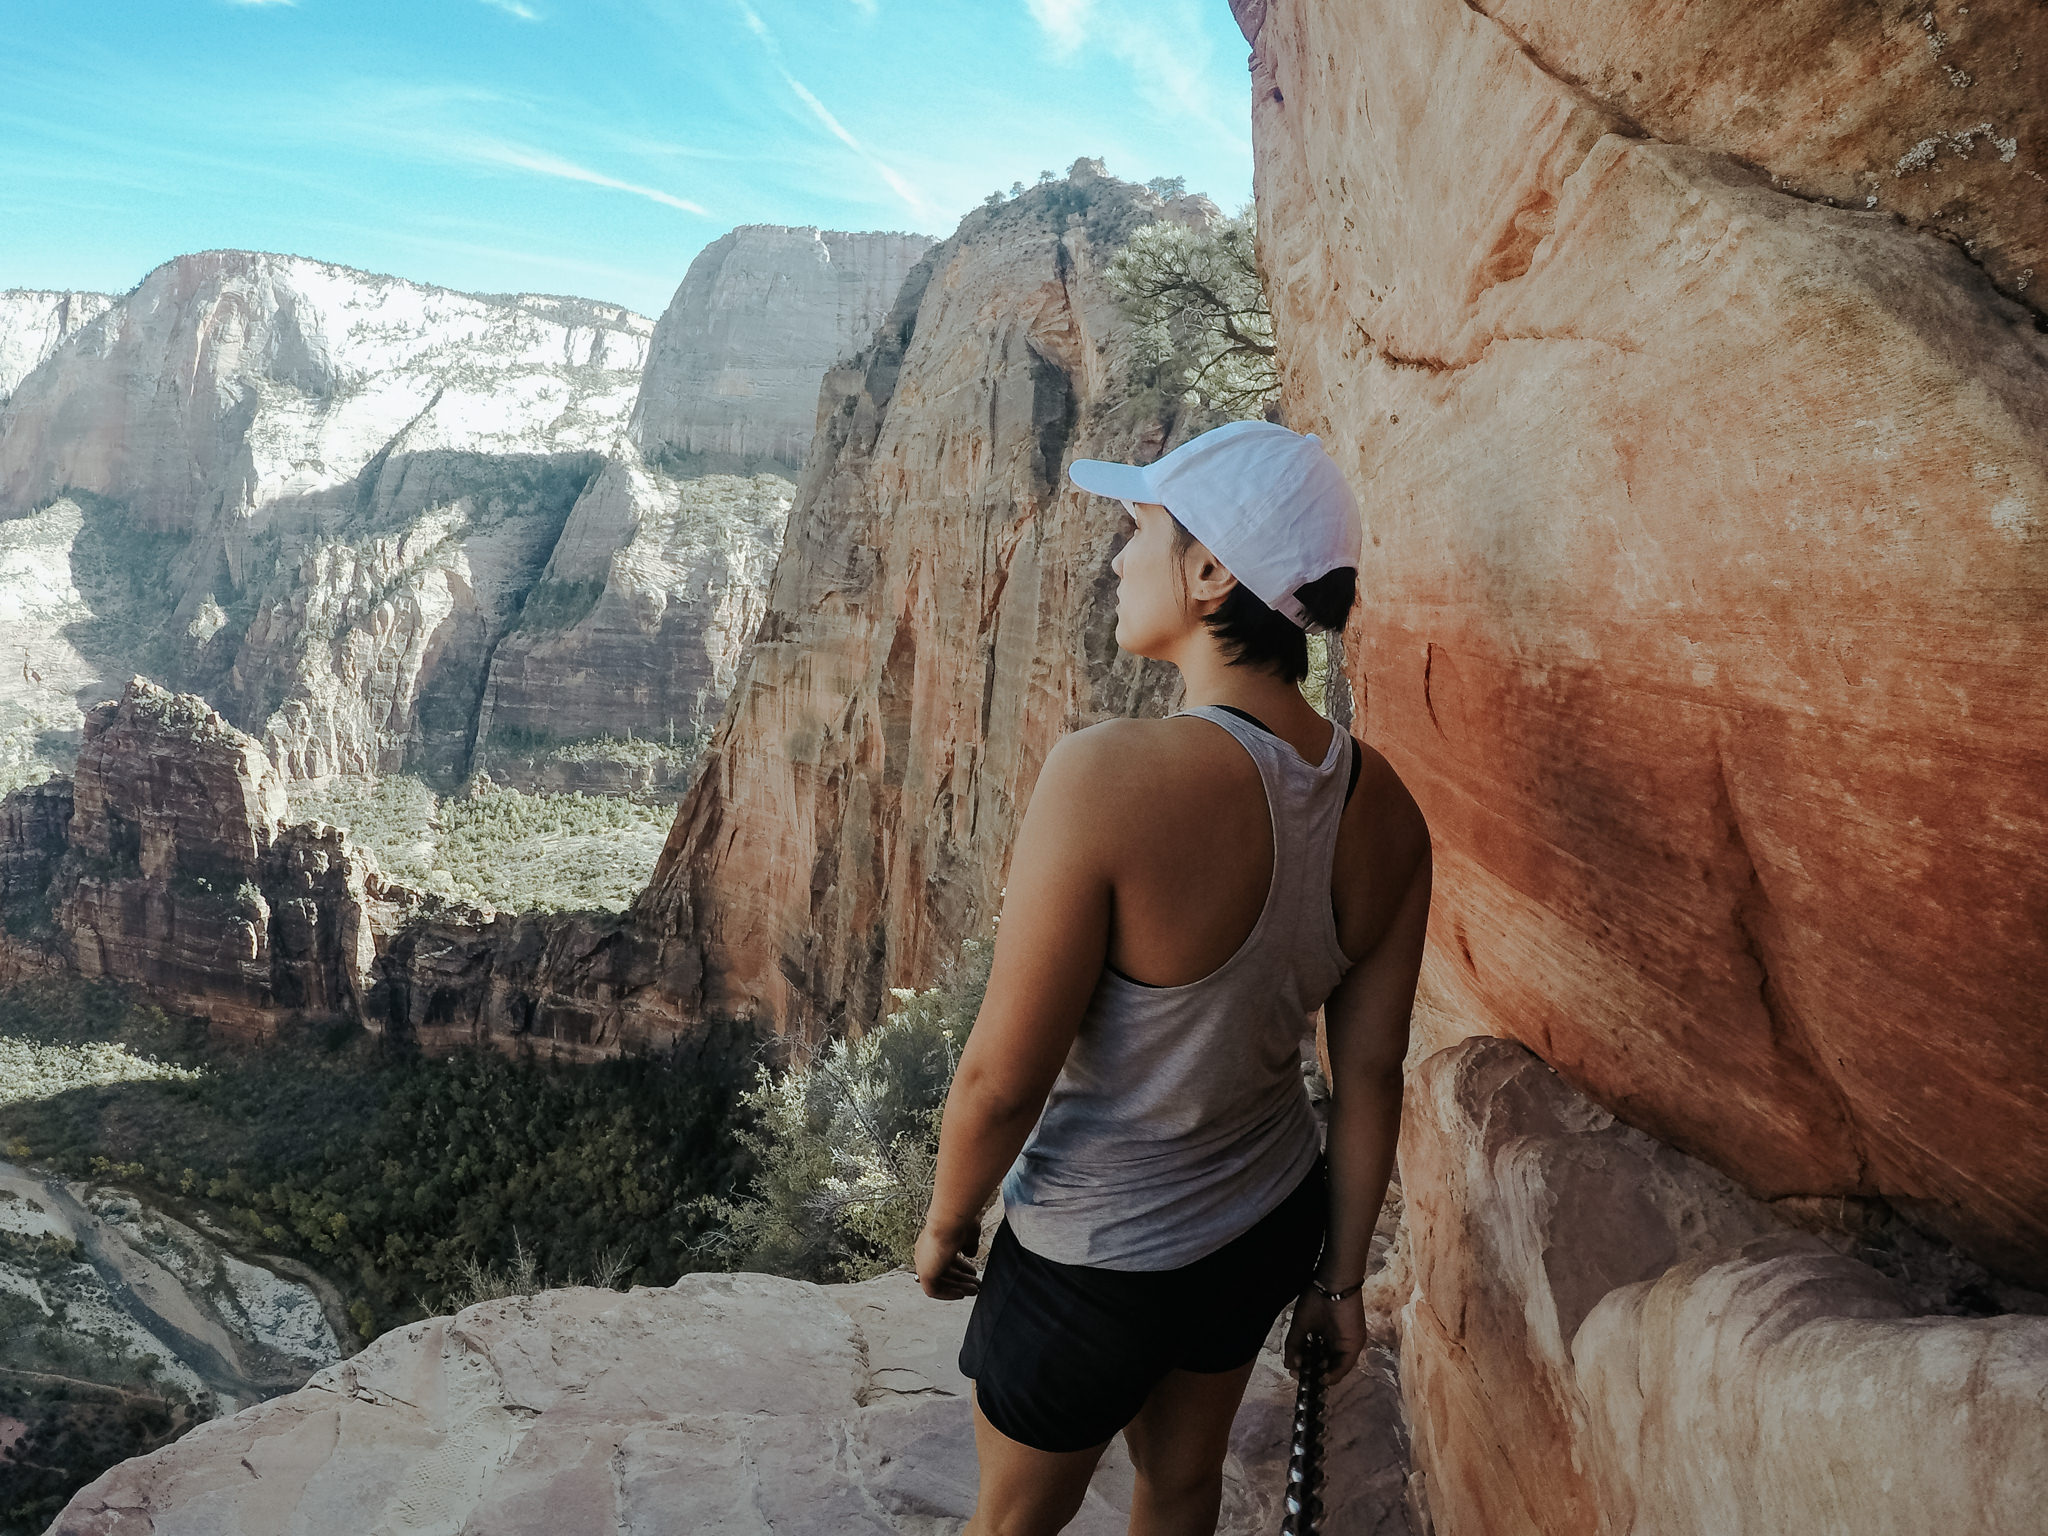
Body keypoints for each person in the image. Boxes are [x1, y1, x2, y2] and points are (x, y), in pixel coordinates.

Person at [914, 419, 1433, 1536]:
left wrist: (947, 1216)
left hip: (1092, 1256)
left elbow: (1001, 1076)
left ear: (1209, 572)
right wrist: (1338, 1283)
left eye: (1138, 531)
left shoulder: (1106, 774)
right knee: (1182, 1483)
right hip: (1261, 1222)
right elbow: (1371, 1074)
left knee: (1009, 1522)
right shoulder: (1386, 807)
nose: (1114, 559)